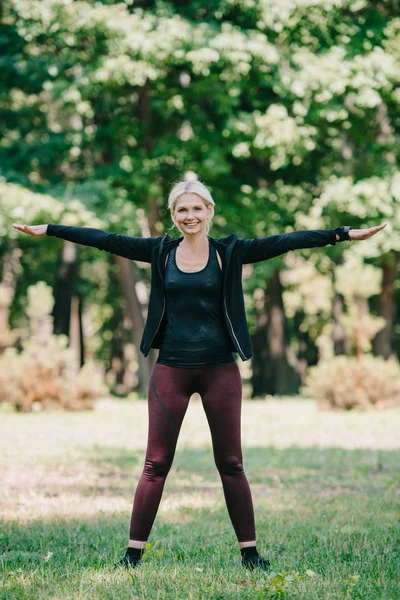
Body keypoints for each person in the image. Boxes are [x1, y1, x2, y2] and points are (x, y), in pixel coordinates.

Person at [12, 180, 386, 571]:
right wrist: (52, 229)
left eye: (196, 209)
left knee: (231, 463)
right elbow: (105, 239)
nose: (189, 216)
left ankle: (251, 553)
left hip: (219, 370)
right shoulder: (161, 251)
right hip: (171, 369)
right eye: (181, 211)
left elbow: (288, 241)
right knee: (155, 464)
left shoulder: (230, 252)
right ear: (174, 216)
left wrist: (342, 234)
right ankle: (132, 555)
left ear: (209, 211)